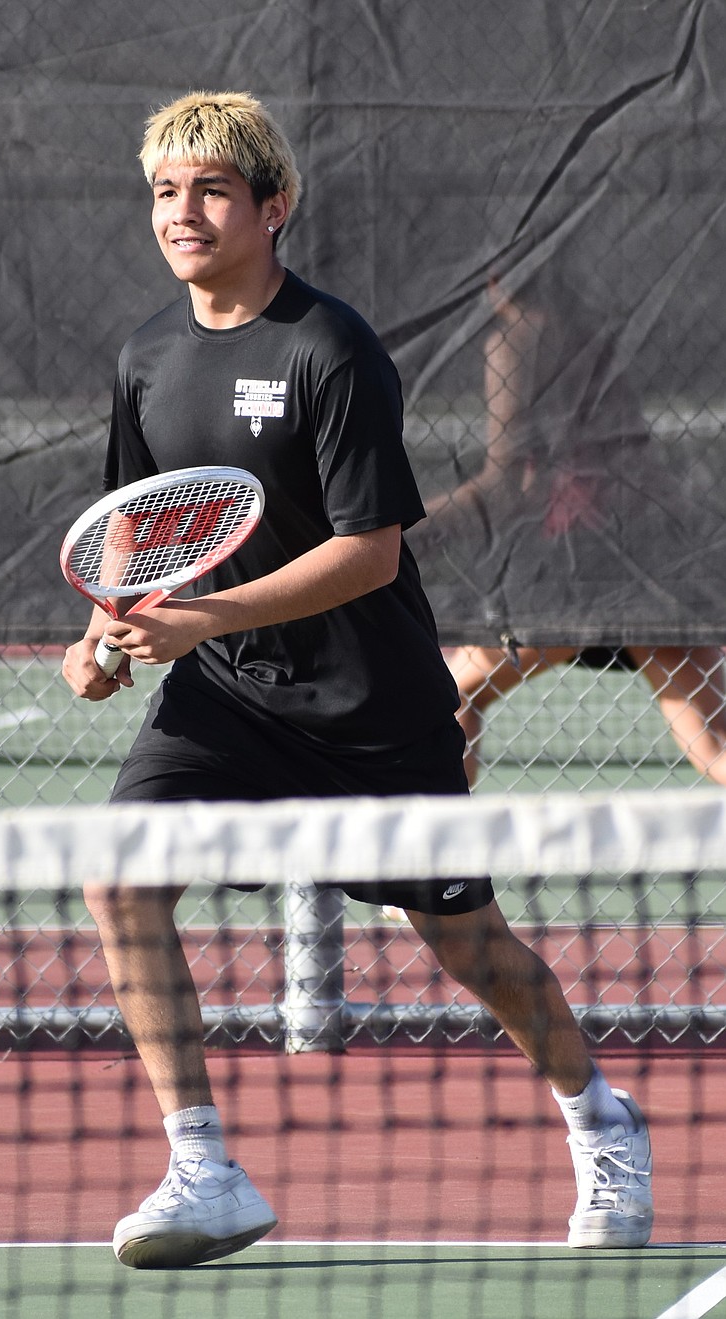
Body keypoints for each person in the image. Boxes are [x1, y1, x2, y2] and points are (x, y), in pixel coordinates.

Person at [62, 91, 652, 1270]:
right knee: (119, 880)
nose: (183, 211)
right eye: (166, 191)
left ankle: (602, 1118)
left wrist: (209, 613)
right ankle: (203, 1165)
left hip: (371, 706)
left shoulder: (330, 349)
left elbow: (370, 546)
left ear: (272, 207)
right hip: (224, 695)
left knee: (468, 942)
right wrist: (101, 632)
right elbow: (139, 533)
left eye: (212, 189)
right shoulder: (144, 357)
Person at [431, 272, 726, 787]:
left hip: (574, 564)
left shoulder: (512, 339)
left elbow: (502, 488)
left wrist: (404, 524)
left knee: (450, 699)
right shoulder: (594, 334)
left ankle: (448, 864)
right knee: (712, 740)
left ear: (499, 276)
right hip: (648, 553)